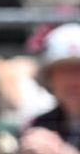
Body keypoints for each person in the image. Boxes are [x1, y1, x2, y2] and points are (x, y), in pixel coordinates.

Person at [19, 23, 80, 153]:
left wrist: (61, 151)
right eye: (63, 70)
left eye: (78, 69)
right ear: (49, 78)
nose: (72, 79)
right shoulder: (40, 123)